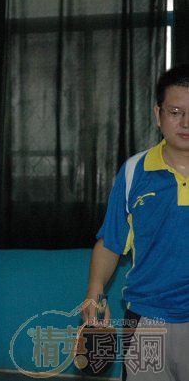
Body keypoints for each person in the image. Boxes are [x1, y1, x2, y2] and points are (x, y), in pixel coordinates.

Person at [83, 64, 189, 381]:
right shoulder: (134, 171)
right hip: (146, 320)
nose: (186, 123)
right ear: (158, 115)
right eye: (175, 112)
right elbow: (111, 242)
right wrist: (94, 293)